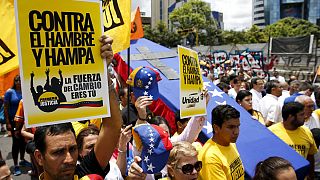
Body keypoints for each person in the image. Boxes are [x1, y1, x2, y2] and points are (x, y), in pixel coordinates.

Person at [33, 35, 122, 180]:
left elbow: (112, 126)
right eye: (58, 152)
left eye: (73, 149)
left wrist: (103, 73)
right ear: (39, 157)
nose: (69, 159)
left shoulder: (85, 172)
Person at [269, 102, 317, 179]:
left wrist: (311, 175)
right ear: (290, 116)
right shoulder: (272, 132)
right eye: (301, 114)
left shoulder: (307, 132)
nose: (305, 117)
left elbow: (310, 156)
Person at [198, 105, 244, 180]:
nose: (236, 132)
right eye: (231, 127)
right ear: (216, 128)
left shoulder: (230, 143)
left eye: (237, 126)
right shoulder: (210, 159)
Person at [4, 74, 28, 175]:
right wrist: (8, 122)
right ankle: (16, 165)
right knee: (16, 143)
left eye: (19, 80)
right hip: (13, 121)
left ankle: (22, 160)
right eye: (16, 80)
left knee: (23, 142)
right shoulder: (9, 92)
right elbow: (5, 108)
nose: (18, 82)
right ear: (14, 81)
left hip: (24, 121)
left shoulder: (24, 91)